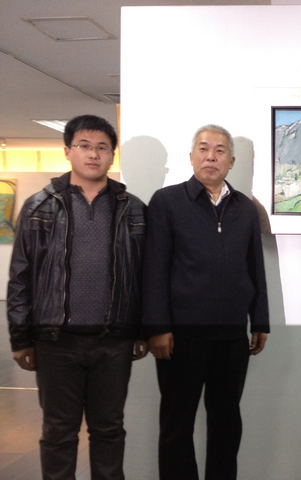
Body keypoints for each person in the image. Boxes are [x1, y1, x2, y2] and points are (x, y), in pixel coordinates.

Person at [7, 114, 147, 480]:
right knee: (58, 433)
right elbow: (20, 276)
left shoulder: (133, 208)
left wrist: (143, 330)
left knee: (109, 430)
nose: (93, 154)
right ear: (68, 151)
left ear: (112, 155)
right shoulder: (39, 206)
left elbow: (144, 275)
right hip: (56, 341)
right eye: (84, 146)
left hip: (113, 341)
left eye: (102, 147)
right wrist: (20, 336)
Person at [143, 124, 269, 480]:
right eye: (203, 148)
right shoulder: (166, 201)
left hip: (231, 336)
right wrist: (157, 327)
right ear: (191, 157)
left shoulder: (245, 208)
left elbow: (254, 266)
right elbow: (154, 268)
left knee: (227, 422)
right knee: (177, 425)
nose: (210, 156)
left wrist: (259, 320)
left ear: (231, 162)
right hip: (181, 337)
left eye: (219, 150)